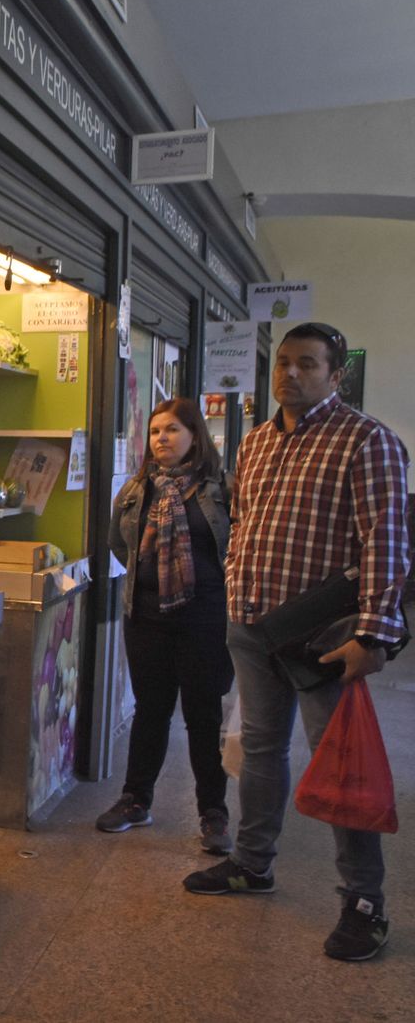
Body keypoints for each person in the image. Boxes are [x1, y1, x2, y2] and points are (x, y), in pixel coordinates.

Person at [183, 322, 410, 963]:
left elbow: (387, 547)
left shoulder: (367, 442)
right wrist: (234, 593)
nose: (290, 374)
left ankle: (365, 902)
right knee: (259, 748)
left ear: (336, 375)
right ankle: (252, 865)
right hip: (253, 626)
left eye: (308, 364)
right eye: (283, 362)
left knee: (340, 764)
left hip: (322, 638)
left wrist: (374, 633)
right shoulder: (255, 443)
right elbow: (245, 522)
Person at [96, 398, 235, 853]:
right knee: (150, 712)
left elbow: (234, 550)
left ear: (195, 435)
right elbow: (120, 544)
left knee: (202, 716)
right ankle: (136, 800)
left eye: (172, 430)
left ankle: (213, 813)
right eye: (155, 431)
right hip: (148, 617)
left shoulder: (220, 489)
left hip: (204, 618)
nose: (161, 439)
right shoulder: (138, 489)